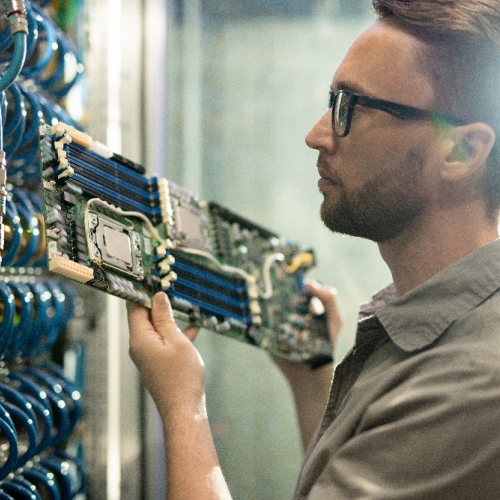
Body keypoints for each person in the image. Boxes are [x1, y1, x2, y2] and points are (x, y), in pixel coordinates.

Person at [127, 0, 500, 497]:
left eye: (352, 107)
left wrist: (182, 404)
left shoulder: (473, 384)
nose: (316, 135)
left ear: (462, 151)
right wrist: (314, 384)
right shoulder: (439, 330)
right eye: (330, 101)